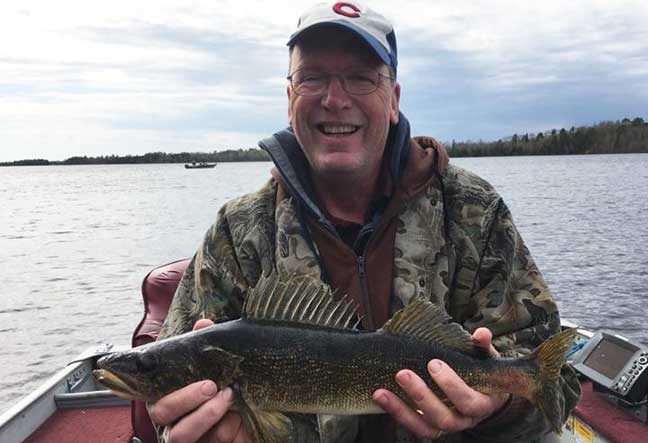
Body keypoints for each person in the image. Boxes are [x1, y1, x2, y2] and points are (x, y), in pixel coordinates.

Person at [148, 2, 581, 442]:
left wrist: (500, 406)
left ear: (393, 101)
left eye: (360, 77)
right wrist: (188, 429)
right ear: (290, 99)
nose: (335, 100)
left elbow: (558, 388)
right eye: (312, 77)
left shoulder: (474, 212)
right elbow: (164, 401)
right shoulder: (237, 232)